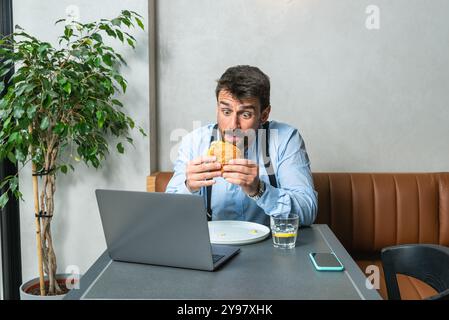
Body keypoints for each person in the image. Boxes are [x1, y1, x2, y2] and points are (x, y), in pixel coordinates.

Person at [165, 65, 317, 226]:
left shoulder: (285, 139)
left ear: (264, 115)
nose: (233, 126)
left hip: (270, 245)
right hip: (211, 246)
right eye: (226, 111)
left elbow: (307, 211)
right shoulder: (194, 142)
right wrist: (188, 187)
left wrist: (259, 190)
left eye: (245, 114)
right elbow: (168, 213)